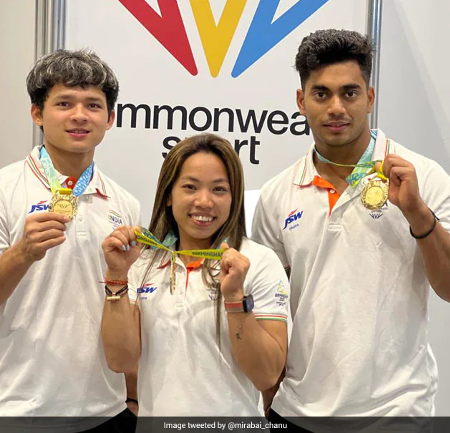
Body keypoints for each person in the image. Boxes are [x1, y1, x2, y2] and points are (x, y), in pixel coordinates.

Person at [251, 29, 450, 431]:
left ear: (370, 98)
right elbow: (267, 316)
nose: (336, 107)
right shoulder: (275, 195)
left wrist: (417, 213)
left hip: (397, 411)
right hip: (297, 410)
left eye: (350, 93)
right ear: (301, 101)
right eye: (321, 94)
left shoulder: (423, 176)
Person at [100, 133, 289, 421]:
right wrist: (117, 275)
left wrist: (236, 299)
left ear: (234, 198)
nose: (204, 201)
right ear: (167, 195)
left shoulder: (258, 262)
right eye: (190, 187)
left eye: (219, 189)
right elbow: (120, 361)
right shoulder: (144, 262)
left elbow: (266, 376)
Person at [0, 50, 140, 432]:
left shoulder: (126, 204)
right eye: (64, 103)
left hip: (105, 409)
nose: (80, 115)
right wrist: (20, 254)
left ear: (109, 119)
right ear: (37, 114)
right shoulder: (4, 189)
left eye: (93, 105)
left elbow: (130, 310)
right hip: (16, 407)